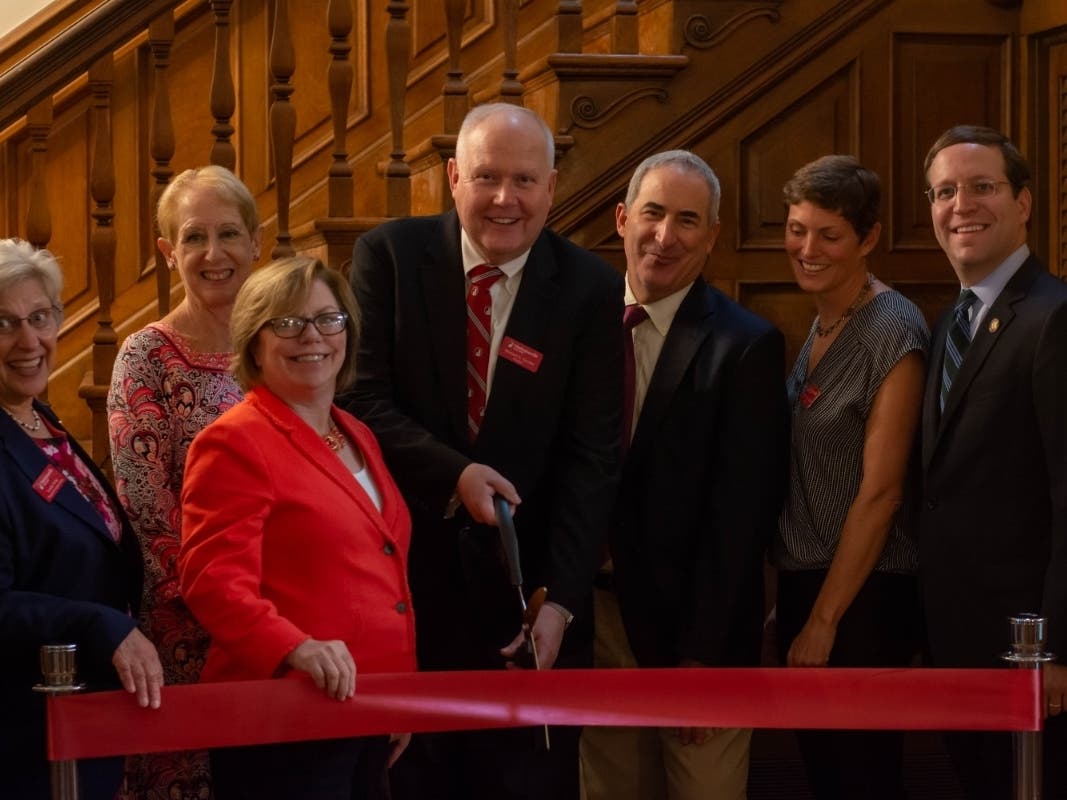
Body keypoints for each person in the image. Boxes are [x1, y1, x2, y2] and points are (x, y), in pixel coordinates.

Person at [342, 102, 622, 799]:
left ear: (552, 187)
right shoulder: (390, 256)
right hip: (406, 595)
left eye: (524, 181)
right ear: (451, 177)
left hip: (526, 607)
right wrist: (458, 472)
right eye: (486, 177)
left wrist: (560, 602)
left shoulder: (590, 288)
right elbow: (361, 400)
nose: (505, 199)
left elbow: (592, 456)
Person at [579, 150, 789, 800]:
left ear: (712, 236)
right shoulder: (575, 329)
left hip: (694, 636)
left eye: (687, 220)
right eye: (652, 213)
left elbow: (738, 520)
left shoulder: (744, 345)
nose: (664, 236)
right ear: (621, 218)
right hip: (596, 621)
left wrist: (702, 656)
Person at [178, 256, 414, 800]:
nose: (312, 336)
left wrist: (400, 692)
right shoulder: (234, 441)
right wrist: (295, 648)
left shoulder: (356, 432)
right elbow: (212, 582)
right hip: (282, 719)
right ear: (254, 343)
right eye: (287, 323)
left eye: (329, 320)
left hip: (367, 710)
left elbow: (382, 572)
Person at [772, 155, 929, 799]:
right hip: (808, 582)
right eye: (796, 228)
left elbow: (883, 491)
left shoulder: (895, 329)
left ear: (867, 239)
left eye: (828, 235)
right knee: (824, 777)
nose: (806, 249)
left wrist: (824, 621)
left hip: (865, 599)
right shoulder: (821, 319)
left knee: (862, 780)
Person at [918, 125, 1067, 799]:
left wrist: (1057, 649)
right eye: (944, 191)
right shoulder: (949, 320)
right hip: (955, 640)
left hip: (1029, 653)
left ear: (1024, 202)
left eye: (981, 187)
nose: (960, 206)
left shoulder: (1052, 317)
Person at [108, 164, 261, 799]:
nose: (214, 253)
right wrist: (231, 606)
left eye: (229, 234)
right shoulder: (146, 357)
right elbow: (146, 510)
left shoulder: (282, 345)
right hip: (186, 625)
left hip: (284, 624)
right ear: (169, 254)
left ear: (257, 243)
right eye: (194, 237)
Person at [0, 238, 163, 799]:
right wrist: (102, 626)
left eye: (39, 317)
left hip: (82, 718)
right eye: (3, 323)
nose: (28, 341)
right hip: (23, 739)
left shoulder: (40, 420)